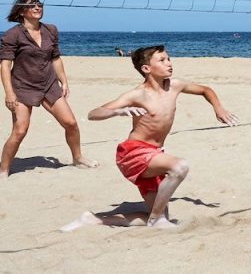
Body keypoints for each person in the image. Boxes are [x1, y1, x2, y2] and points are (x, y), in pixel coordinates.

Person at [67, 45, 238, 229]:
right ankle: (157, 219)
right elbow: (94, 113)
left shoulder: (175, 85)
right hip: (133, 153)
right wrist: (118, 112)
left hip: (155, 153)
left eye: (169, 58)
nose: (169, 63)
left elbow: (206, 90)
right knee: (180, 167)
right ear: (146, 69)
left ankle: (94, 219)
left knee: (155, 215)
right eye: (162, 60)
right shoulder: (138, 94)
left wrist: (218, 108)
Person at [1, 0, 96, 179]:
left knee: (71, 123)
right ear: (21, 11)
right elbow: (5, 65)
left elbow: (56, 58)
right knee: (20, 130)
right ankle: (3, 168)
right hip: (22, 86)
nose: (38, 7)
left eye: (39, 5)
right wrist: (9, 93)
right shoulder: (13, 34)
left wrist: (64, 81)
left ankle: (77, 158)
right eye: (32, 5)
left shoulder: (51, 30)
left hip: (48, 84)